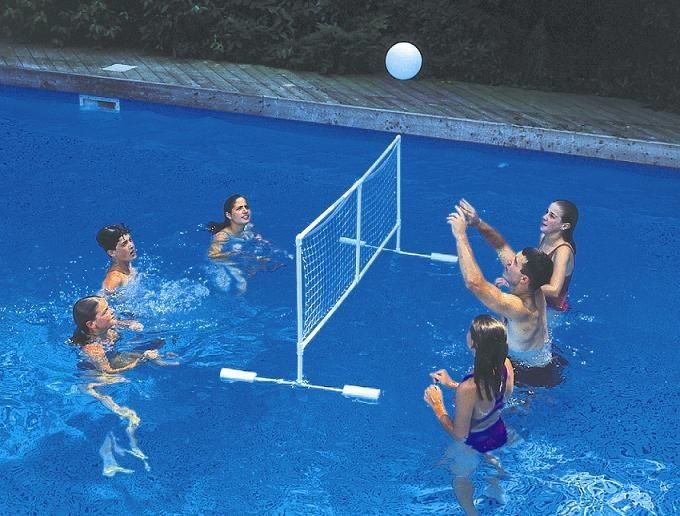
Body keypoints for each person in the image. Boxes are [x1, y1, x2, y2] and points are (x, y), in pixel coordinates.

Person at [71, 295, 176, 476]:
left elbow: (119, 323)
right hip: (94, 371)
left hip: (114, 357)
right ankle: (124, 412)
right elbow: (109, 371)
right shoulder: (92, 348)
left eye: (109, 307)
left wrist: (130, 325)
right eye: (106, 311)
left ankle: (161, 359)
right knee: (104, 384)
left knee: (159, 343)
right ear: (92, 324)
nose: (112, 311)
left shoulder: (107, 326)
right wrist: (141, 360)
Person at [448, 204, 555, 375]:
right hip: (539, 357)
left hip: (528, 373)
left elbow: (474, 283)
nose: (509, 262)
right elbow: (501, 246)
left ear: (524, 279)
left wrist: (460, 236)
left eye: (514, 263)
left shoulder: (520, 307)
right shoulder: (533, 285)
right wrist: (477, 223)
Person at [424, 315, 514, 516]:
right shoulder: (505, 365)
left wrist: (437, 406)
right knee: (491, 466)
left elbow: (460, 435)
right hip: (497, 431)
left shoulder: (469, 388)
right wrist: (453, 384)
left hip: (472, 443)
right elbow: (491, 396)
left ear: (473, 343)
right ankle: (497, 490)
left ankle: (471, 513)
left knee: (460, 477)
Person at [459, 199, 578, 311]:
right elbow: (504, 248)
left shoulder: (563, 251)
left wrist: (517, 286)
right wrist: (478, 223)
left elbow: (554, 290)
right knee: (504, 251)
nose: (544, 217)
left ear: (564, 226)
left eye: (552, 216)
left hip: (552, 309)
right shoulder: (544, 237)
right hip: (534, 298)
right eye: (547, 212)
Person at [207, 194, 280, 293]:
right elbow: (212, 256)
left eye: (246, 207)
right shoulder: (222, 236)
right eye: (239, 208)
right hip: (225, 266)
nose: (245, 211)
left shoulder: (248, 228)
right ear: (229, 215)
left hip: (242, 260)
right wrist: (233, 254)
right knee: (241, 285)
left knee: (273, 265)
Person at [96, 224, 137, 294]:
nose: (131, 245)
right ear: (112, 253)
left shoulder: (129, 268)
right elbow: (101, 296)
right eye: (124, 244)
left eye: (130, 240)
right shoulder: (114, 278)